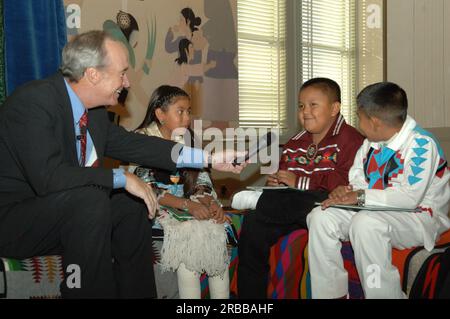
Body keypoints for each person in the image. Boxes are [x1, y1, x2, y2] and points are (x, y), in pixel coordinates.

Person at [0, 30, 243, 299]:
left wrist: (207, 158)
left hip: (63, 217)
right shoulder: (34, 102)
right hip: (14, 222)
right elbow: (49, 178)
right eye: (122, 73)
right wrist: (122, 178)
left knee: (129, 205)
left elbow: (138, 145)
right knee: (92, 198)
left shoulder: (93, 113)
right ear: (94, 74)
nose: (127, 82)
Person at [307, 82, 450, 299]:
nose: (357, 124)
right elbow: (358, 182)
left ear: (374, 122)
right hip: (374, 209)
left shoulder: (421, 145)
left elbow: (408, 198)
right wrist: (345, 192)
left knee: (366, 224)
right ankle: (331, 294)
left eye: (359, 117)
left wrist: (360, 196)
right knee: (320, 217)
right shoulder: (369, 144)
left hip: (420, 216)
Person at [234, 78, 365, 298]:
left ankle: (262, 200)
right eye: (301, 106)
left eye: (314, 105)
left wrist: (299, 183)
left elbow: (345, 183)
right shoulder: (296, 142)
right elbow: (286, 177)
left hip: (329, 207)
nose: (305, 111)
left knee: (308, 198)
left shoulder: (351, 139)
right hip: (291, 207)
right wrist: (275, 183)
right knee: (253, 221)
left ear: (334, 108)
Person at [128, 85, 230, 299]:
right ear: (160, 114)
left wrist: (210, 204)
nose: (187, 118)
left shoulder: (188, 139)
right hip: (153, 208)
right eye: (180, 111)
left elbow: (200, 179)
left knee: (216, 228)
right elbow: (147, 187)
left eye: (188, 111)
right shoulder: (142, 140)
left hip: (186, 203)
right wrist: (188, 205)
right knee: (187, 231)